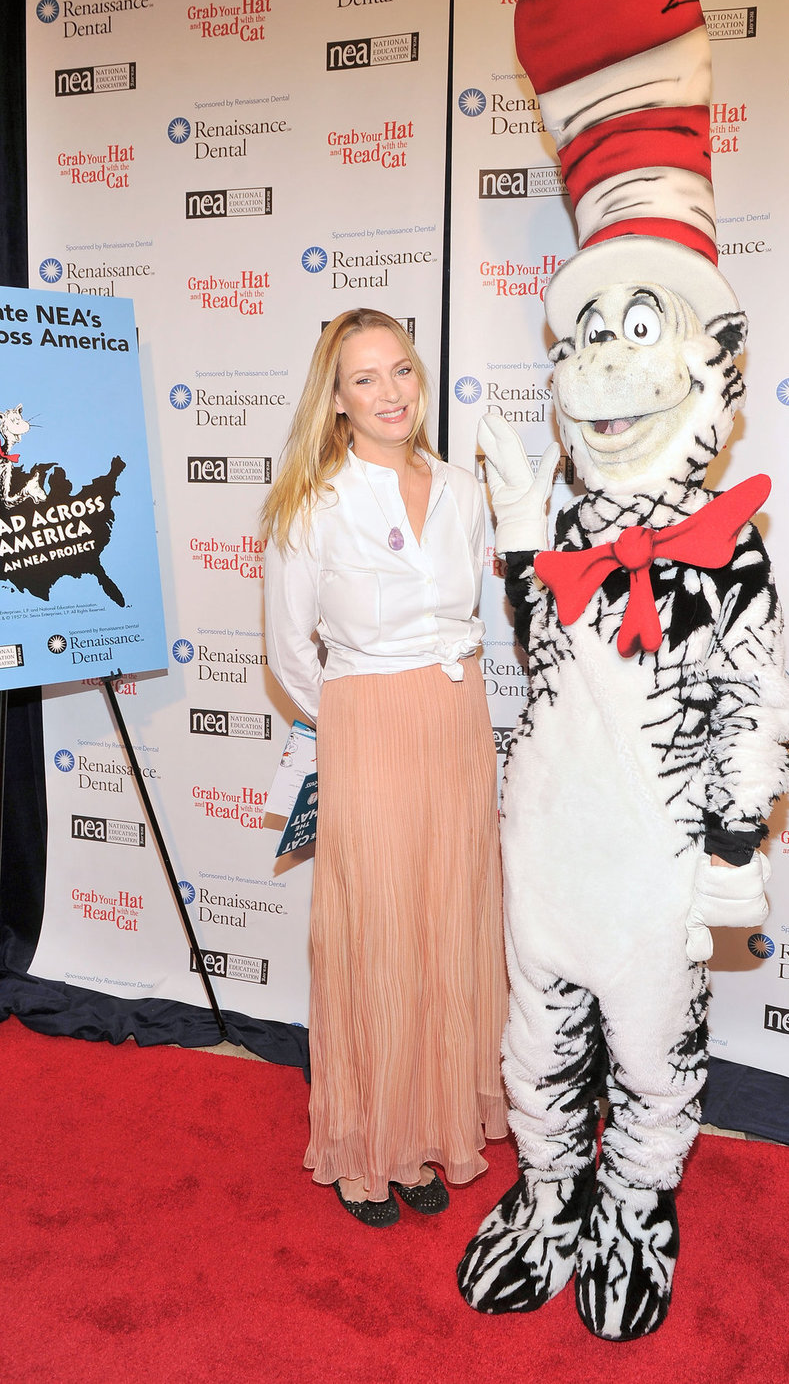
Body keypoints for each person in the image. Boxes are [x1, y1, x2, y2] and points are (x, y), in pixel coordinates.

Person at [263, 308, 507, 1228]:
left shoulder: (463, 490)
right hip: (366, 725)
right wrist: (356, 721)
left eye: (400, 369)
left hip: (458, 719)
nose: (390, 392)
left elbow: (470, 612)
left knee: (451, 922)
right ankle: (371, 1140)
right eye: (364, 378)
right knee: (376, 935)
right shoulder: (311, 504)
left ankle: (433, 1125)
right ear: (335, 399)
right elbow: (291, 653)